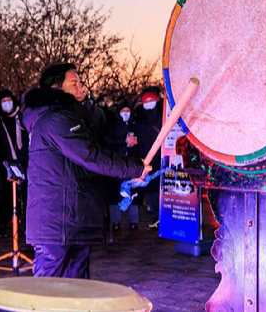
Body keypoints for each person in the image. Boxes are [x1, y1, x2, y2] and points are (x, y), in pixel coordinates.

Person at [22, 63, 150, 278]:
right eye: (75, 84)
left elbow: (101, 139)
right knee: (46, 291)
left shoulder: (73, 117)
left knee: (77, 290)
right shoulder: (55, 120)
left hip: (74, 219)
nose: (82, 88)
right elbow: (90, 155)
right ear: (55, 88)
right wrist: (134, 167)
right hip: (57, 223)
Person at [0, 89, 29, 238]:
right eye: (3, 102)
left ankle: (26, 223)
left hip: (24, 159)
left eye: (9, 100)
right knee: (6, 194)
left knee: (26, 193)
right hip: (6, 160)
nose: (7, 104)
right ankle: (4, 224)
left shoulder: (22, 117)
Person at [103, 99, 140, 230]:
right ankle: (116, 221)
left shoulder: (136, 125)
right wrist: (123, 141)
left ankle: (133, 221)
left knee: (133, 192)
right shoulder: (112, 125)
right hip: (116, 165)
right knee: (114, 193)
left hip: (132, 164)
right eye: (123, 111)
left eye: (128, 111)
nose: (126, 114)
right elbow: (107, 141)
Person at [132, 87, 163, 230]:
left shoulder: (163, 115)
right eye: (146, 101)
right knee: (149, 188)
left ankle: (162, 217)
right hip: (146, 158)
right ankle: (156, 216)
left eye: (152, 100)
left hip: (161, 157)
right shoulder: (138, 117)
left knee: (161, 187)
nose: (149, 103)